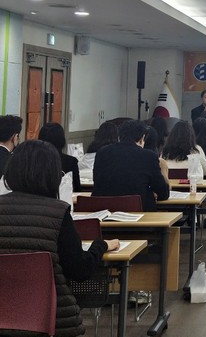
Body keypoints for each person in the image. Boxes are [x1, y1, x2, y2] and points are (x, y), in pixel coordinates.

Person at [0, 140, 120, 337]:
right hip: (50, 321)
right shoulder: (57, 213)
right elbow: (79, 269)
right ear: (53, 174)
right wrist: (100, 245)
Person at [93, 120, 170, 211]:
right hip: (138, 212)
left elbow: (97, 181)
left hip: (103, 210)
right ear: (142, 138)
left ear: (119, 137)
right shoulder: (149, 156)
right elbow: (163, 193)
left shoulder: (102, 152)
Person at [39, 122, 81, 192]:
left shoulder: (34, 161)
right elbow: (77, 190)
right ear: (62, 140)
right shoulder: (71, 162)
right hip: (65, 198)